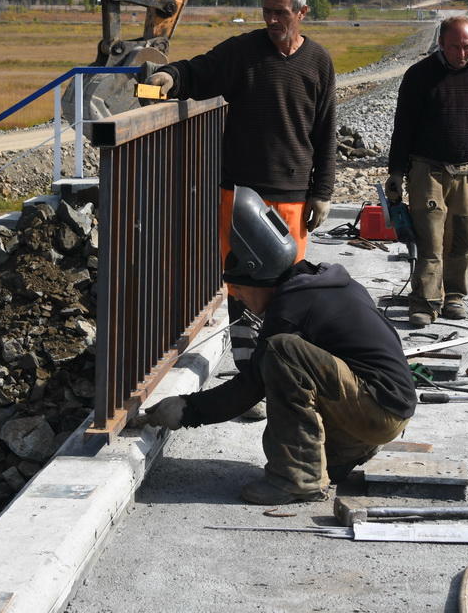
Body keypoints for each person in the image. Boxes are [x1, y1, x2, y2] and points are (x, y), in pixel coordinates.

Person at [136, 187, 416, 505]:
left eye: (239, 288)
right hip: (390, 405)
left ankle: (296, 480)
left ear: (259, 276)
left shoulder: (290, 307)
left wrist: (187, 410)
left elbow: (250, 387)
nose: (237, 297)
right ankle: (345, 449)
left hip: (378, 409)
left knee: (281, 352)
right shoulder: (320, 284)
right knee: (294, 366)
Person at [141, 0, 336, 416]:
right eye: (267, 10)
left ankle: (284, 374)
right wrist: (170, 77)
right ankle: (250, 382)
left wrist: (321, 192)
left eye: (280, 12)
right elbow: (197, 70)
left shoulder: (319, 61)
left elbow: (325, 132)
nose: (271, 19)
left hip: (292, 196)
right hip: (240, 192)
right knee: (244, 291)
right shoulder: (242, 52)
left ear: (301, 13)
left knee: (288, 291)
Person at [386, 16, 468, 327]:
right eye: (455, 46)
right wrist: (396, 173)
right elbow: (403, 128)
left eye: (467, 46)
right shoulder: (419, 76)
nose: (461, 53)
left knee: (463, 239)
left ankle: (454, 296)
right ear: (441, 43)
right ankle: (425, 303)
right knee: (431, 240)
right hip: (428, 171)